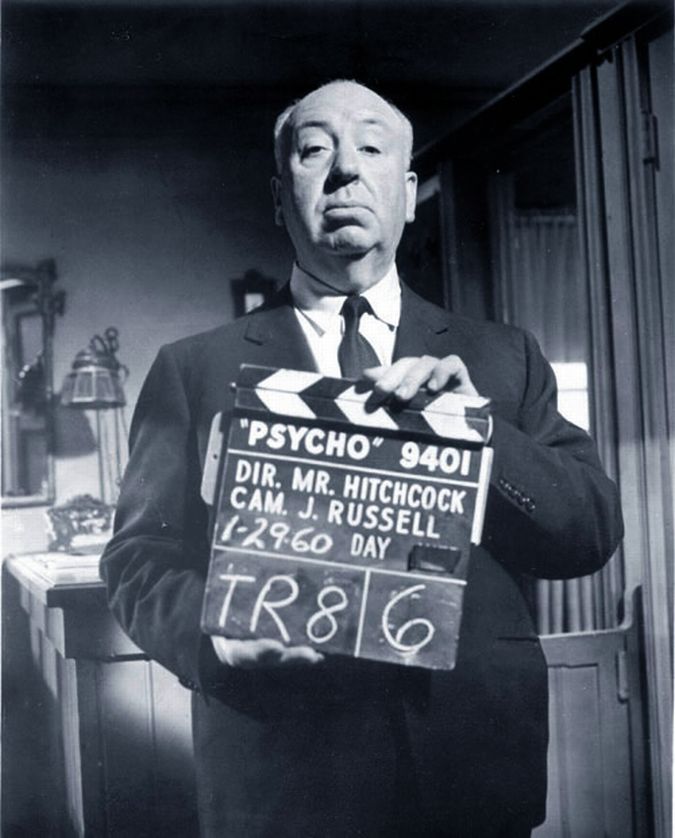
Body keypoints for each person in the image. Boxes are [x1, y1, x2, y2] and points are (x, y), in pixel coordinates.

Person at [101, 80, 623, 837]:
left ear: (408, 194)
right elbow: (135, 559)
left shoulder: (503, 359)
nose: (345, 168)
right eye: (314, 151)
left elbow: (589, 534)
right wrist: (215, 636)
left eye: (372, 148)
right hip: (285, 777)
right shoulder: (193, 369)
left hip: (470, 770)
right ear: (279, 197)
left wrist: (479, 431)